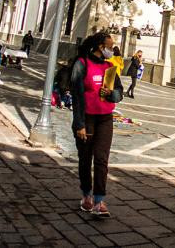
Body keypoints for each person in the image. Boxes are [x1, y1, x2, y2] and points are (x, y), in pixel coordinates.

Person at [70, 32, 122, 218]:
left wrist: (111, 94)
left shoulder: (110, 67)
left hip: (105, 118)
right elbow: (76, 96)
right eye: (110, 46)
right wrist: (79, 124)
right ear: (101, 46)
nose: (113, 49)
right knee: (85, 158)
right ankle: (87, 196)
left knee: (101, 159)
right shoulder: (82, 64)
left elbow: (119, 93)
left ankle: (99, 200)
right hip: (87, 118)